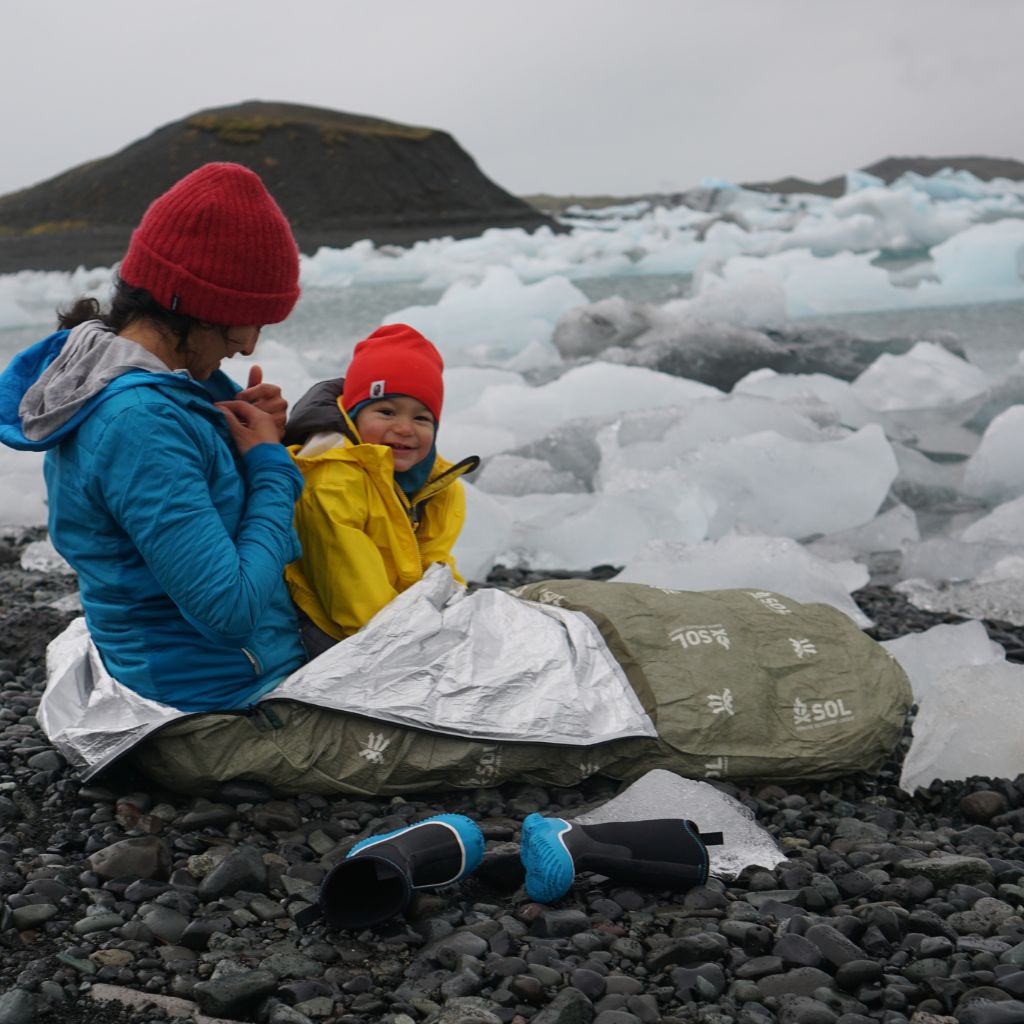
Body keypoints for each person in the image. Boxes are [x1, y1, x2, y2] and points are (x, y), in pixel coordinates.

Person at [0, 162, 305, 712]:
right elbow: (230, 610)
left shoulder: (128, 382)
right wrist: (271, 466)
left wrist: (256, 440)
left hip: (215, 679)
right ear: (195, 305)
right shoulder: (139, 423)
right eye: (246, 319)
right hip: (214, 706)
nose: (249, 345)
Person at [284, 323, 479, 655]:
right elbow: (353, 595)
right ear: (354, 416)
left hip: (398, 625)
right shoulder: (333, 479)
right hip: (330, 632)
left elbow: (438, 567)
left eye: (421, 419)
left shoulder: (436, 486)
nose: (403, 428)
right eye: (386, 412)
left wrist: (458, 621)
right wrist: (423, 647)